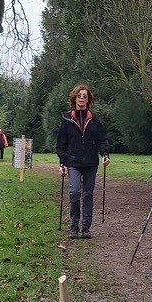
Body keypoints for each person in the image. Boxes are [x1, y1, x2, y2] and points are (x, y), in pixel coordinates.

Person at [56, 84, 110, 238]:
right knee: (74, 192)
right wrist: (62, 163)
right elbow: (61, 143)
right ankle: (74, 226)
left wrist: (105, 154)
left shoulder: (94, 119)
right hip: (73, 162)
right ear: (74, 98)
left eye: (84, 96)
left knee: (87, 194)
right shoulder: (67, 119)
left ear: (88, 99)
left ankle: (86, 228)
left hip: (91, 162)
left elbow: (102, 139)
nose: (81, 98)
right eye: (79, 95)